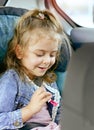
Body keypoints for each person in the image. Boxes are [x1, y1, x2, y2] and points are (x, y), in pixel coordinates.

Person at [0, 9, 66, 130]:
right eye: (40, 54)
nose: (47, 61)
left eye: (52, 55)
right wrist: (30, 109)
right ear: (19, 52)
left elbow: (59, 110)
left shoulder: (49, 79)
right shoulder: (11, 80)